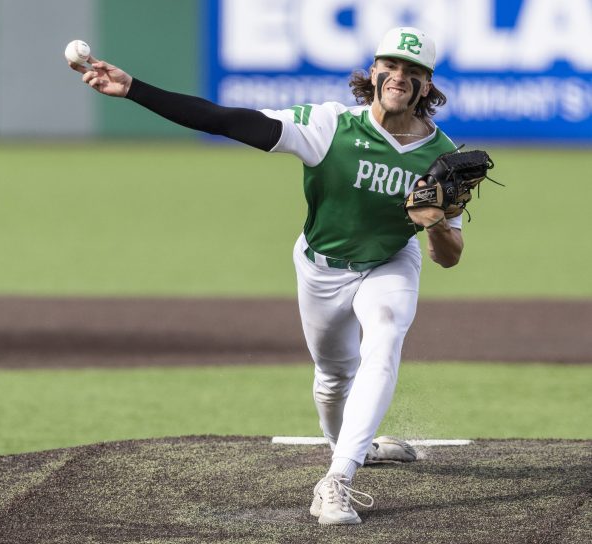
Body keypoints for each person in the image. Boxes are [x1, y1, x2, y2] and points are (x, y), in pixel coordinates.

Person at [68, 26, 463, 525]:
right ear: (375, 71)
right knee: (332, 379)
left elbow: (449, 256)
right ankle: (352, 444)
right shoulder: (329, 125)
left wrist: (434, 227)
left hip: (390, 261)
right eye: (391, 65)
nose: (399, 76)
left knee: (384, 338)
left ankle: (337, 479)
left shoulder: (444, 156)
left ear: (427, 85)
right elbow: (228, 120)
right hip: (321, 267)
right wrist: (135, 89)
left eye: (413, 71)